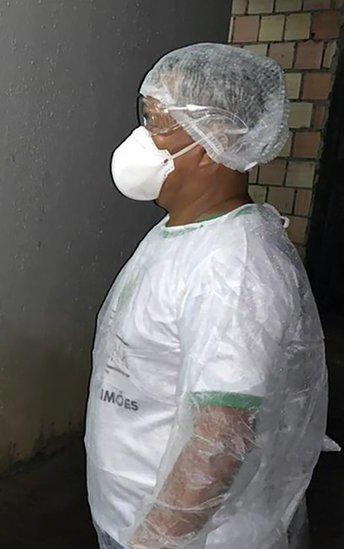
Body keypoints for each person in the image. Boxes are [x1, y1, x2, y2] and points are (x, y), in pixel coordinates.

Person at [86, 43, 329, 549]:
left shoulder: (234, 266)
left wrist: (155, 541)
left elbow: (220, 436)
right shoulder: (181, 231)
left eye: (158, 123)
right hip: (129, 516)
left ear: (211, 139)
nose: (142, 139)